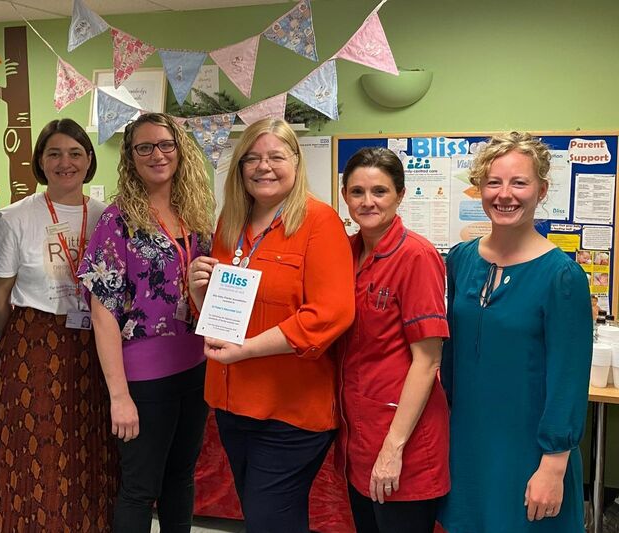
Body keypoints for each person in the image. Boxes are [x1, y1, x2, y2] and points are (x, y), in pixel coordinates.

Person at [188, 118, 355, 532]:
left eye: (276, 156)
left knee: (268, 521)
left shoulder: (319, 221)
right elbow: (223, 312)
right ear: (240, 167)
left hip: (290, 409)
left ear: (296, 163)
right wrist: (196, 291)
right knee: (265, 519)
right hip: (232, 402)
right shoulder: (231, 222)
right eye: (253, 158)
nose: (264, 167)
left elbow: (330, 313)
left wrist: (247, 349)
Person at [439, 132, 592, 532]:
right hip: (469, 443)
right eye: (494, 182)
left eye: (519, 182)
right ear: (479, 189)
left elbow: (569, 378)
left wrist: (554, 464)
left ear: (541, 189)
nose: (505, 195)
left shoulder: (562, 276)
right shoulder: (461, 260)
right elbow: (452, 359)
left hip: (531, 451)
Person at [77, 112, 214, 533]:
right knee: (139, 487)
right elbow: (102, 315)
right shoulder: (118, 221)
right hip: (144, 377)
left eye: (166, 145)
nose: (158, 154)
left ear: (180, 150)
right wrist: (119, 396)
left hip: (196, 368)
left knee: (180, 479)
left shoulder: (195, 213)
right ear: (131, 157)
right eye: (145, 147)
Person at [0, 118, 118, 531]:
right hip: (31, 351)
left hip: (94, 347)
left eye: (75, 153)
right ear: (40, 161)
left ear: (90, 160)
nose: (65, 162)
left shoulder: (107, 217)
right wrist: (24, 343)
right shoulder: (13, 218)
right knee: (32, 458)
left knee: (90, 451)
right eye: (54, 153)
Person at [338, 148, 449, 533]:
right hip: (360, 436)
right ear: (344, 194)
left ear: (400, 195)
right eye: (357, 191)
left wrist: (392, 448)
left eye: (380, 191)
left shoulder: (416, 256)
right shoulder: (345, 253)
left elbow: (428, 361)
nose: (367, 202)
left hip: (403, 441)